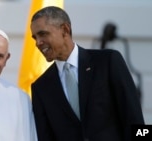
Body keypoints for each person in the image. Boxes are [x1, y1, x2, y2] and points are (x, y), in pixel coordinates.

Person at [30, 6, 144, 141]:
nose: (38, 43)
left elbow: (135, 119)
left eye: (43, 34)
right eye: (35, 37)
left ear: (65, 30)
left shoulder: (108, 61)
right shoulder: (41, 87)